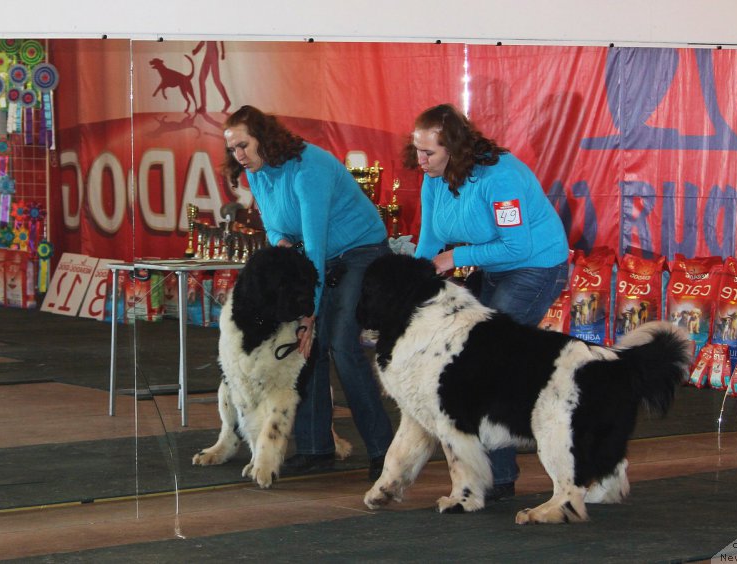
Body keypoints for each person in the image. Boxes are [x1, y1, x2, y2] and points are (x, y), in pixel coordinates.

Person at [405, 103, 569, 502]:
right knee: (467, 360)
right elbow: (429, 241)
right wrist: (411, 286)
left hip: (535, 266)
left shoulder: (500, 176)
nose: (420, 161)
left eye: (429, 153)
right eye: (417, 150)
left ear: (455, 148)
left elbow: (517, 244)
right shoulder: (434, 177)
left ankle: (499, 476)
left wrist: (453, 258)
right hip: (492, 264)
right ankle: (490, 471)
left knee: (487, 362)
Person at [223, 105, 393, 480]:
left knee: (343, 347)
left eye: (243, 146)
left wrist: (309, 313)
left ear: (264, 138)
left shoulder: (309, 168)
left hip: (360, 253)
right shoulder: (256, 174)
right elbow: (273, 229)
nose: (238, 156)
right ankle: (317, 449)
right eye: (232, 149)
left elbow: (315, 244)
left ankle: (384, 451)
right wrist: (281, 241)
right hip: (317, 257)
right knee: (307, 349)